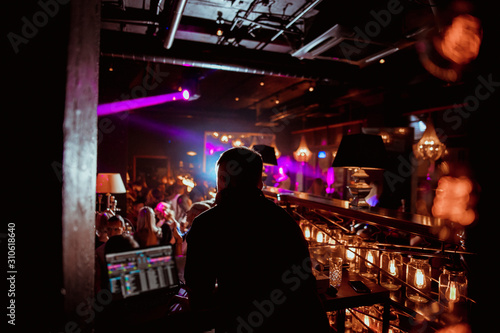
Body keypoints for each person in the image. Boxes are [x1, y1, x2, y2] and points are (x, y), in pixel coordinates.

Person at [184, 147, 330, 333]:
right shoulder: (283, 220)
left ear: (222, 179)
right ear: (260, 182)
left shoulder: (207, 224)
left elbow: (200, 297)